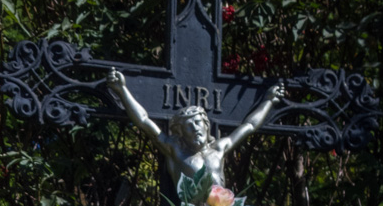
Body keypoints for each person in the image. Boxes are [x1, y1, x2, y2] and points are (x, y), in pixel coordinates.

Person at [105, 68, 286, 189]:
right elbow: (144, 121)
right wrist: (122, 90)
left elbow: (250, 126)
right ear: (181, 133)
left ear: (206, 125)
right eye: (189, 127)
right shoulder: (175, 150)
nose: (195, 129)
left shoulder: (219, 149)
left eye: (198, 123)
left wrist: (268, 101)